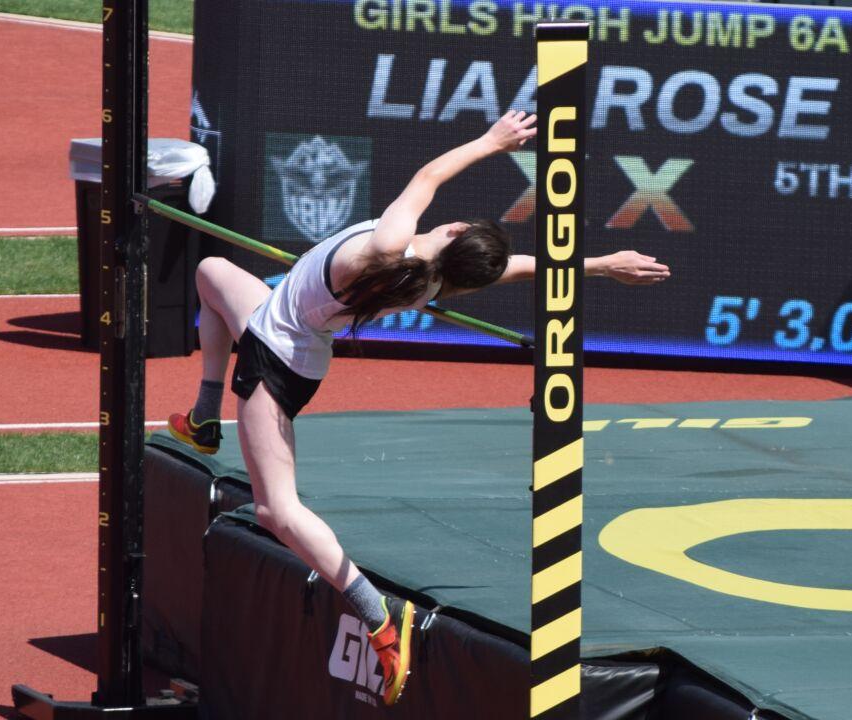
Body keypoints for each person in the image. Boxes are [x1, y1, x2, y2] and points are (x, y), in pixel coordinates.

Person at [167, 110, 670, 706]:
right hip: (280, 325)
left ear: (455, 231)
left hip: (275, 362)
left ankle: (373, 613)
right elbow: (517, 270)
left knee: (278, 511)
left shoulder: (392, 244)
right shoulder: (432, 281)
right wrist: (601, 265)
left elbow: (430, 175)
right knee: (211, 271)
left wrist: (492, 142)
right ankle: (203, 418)